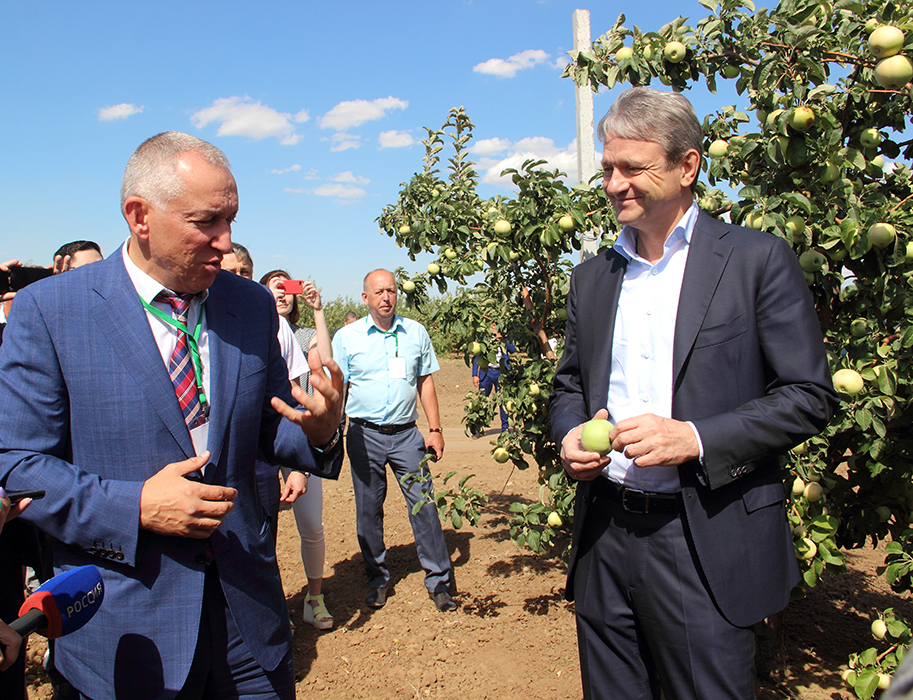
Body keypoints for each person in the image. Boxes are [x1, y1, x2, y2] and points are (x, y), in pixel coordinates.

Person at [0, 131, 345, 699]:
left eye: (231, 220)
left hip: (247, 621)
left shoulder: (248, 304)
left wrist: (320, 432)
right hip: (127, 630)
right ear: (140, 216)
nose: (225, 241)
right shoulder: (51, 312)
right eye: (206, 222)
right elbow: (19, 466)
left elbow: (266, 426)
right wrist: (133, 506)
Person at [549, 87, 838, 700]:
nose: (615, 183)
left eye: (634, 167)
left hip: (702, 533)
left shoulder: (756, 261)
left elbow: (809, 394)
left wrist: (696, 437)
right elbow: (569, 384)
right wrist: (569, 434)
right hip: (605, 532)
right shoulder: (593, 278)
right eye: (607, 168)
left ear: (687, 166)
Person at [332, 269, 456, 613]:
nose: (386, 297)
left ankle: (439, 581)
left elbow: (425, 382)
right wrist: (331, 428)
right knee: (368, 510)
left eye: (391, 291)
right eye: (379, 292)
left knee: (425, 505)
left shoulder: (415, 332)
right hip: (363, 435)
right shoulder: (347, 337)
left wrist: (435, 429)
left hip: (406, 435)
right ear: (365, 298)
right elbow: (338, 387)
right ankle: (377, 578)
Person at [259, 270, 334, 630]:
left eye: (287, 288)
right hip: (259, 444)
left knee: (311, 526)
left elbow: (327, 364)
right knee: (260, 533)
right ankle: (271, 607)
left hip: (298, 437)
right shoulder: (251, 334)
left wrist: (318, 310)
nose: (283, 294)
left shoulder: (302, 336)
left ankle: (314, 598)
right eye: (274, 287)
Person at [471, 323, 515, 433]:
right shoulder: (483, 338)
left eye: (496, 325)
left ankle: (505, 428)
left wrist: (502, 338)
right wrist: (474, 374)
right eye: (492, 325)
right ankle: (478, 428)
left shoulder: (504, 337)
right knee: (482, 400)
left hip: (501, 372)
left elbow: (513, 350)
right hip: (487, 372)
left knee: (503, 400)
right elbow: (477, 356)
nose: (493, 327)